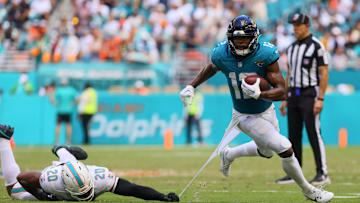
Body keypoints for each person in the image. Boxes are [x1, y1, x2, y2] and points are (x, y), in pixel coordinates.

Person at [179, 15, 333, 202]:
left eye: (244, 38)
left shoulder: (265, 54)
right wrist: (192, 85)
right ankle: (309, 191)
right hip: (244, 115)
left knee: (266, 151)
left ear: (254, 37)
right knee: (284, 147)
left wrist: (260, 95)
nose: (241, 43)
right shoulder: (221, 53)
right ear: (230, 38)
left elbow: (283, 92)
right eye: (237, 38)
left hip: (267, 111)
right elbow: (212, 67)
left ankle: (229, 153)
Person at [0, 125, 179, 202]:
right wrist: (41, 195)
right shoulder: (51, 181)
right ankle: (4, 140)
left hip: (71, 164)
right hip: (61, 171)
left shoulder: (100, 177)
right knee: (14, 191)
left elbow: (132, 189)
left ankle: (67, 150)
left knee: (62, 150)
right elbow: (21, 178)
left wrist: (162, 197)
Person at [275, 13, 330, 185]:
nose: (295, 29)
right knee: (293, 136)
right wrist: (285, 97)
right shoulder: (291, 48)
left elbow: (324, 72)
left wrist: (320, 98)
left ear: (307, 26)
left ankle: (322, 173)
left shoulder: (317, 46)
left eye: (298, 25)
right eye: (294, 25)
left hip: (309, 94)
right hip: (293, 95)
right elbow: (289, 74)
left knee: (314, 133)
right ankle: (295, 173)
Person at [50, 78, 77, 145]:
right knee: (68, 125)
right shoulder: (71, 90)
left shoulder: (59, 90)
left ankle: (56, 141)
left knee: (58, 126)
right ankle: (68, 141)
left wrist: (55, 103)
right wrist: (73, 103)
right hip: (68, 110)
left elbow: (51, 97)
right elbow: (77, 98)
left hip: (60, 110)